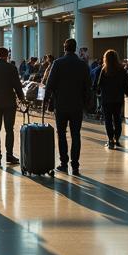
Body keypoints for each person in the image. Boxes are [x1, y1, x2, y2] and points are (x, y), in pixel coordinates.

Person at [44, 38, 92, 173]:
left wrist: (47, 101)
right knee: (76, 134)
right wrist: (87, 103)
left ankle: (64, 163)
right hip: (77, 105)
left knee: (62, 134)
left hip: (61, 105)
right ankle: (75, 165)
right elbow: (88, 85)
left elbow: (50, 84)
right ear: (75, 48)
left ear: (65, 48)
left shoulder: (58, 63)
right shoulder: (82, 65)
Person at [95, 50, 128, 149]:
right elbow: (127, 84)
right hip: (118, 99)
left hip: (106, 99)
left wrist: (98, 92)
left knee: (108, 120)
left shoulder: (104, 70)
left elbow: (98, 84)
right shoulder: (121, 70)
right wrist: (127, 92)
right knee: (117, 119)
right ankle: (117, 139)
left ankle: (110, 140)